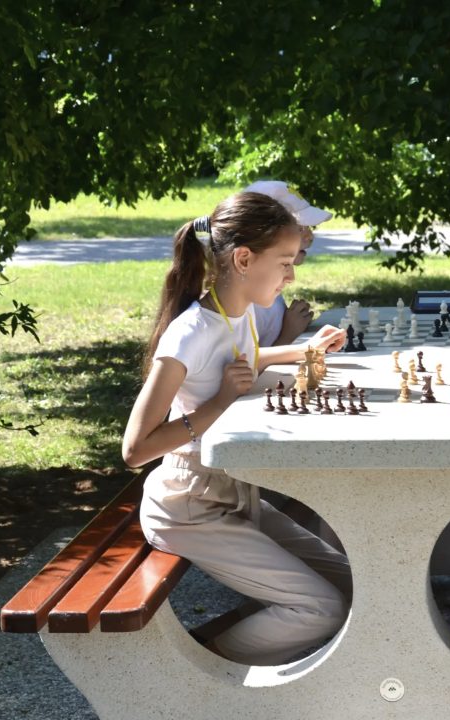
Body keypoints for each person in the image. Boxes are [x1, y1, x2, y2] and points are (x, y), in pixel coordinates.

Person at [122, 191, 351, 666]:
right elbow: (136, 448)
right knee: (321, 608)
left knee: (353, 580)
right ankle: (198, 673)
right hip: (189, 507)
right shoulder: (188, 334)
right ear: (244, 259)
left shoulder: (236, 313)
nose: (292, 274)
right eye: (285, 262)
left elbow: (243, 357)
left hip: (233, 495)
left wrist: (305, 349)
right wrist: (222, 401)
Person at [245, 180, 333, 346]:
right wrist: (288, 334)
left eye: (310, 228)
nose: (310, 236)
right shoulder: (247, 303)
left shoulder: (269, 290)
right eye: (300, 228)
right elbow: (250, 365)